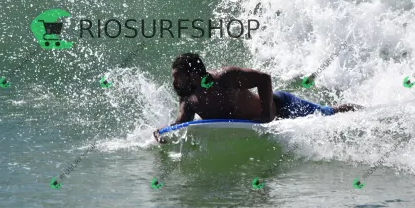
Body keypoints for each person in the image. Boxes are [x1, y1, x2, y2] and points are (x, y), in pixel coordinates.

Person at [153, 53, 362, 143]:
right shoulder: (188, 98)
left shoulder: (225, 78)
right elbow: (182, 123)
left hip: (281, 106)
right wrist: (164, 133)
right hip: (257, 126)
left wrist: (266, 114)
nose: (175, 83)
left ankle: (364, 111)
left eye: (177, 78)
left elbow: (264, 79)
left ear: (193, 75)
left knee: (329, 114)